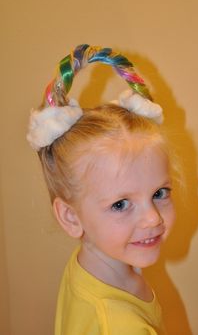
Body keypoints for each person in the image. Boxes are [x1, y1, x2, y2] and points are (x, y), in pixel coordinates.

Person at [27, 44, 176, 334]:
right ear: (71, 217)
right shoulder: (121, 326)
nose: (153, 219)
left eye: (159, 193)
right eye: (120, 204)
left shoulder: (91, 263)